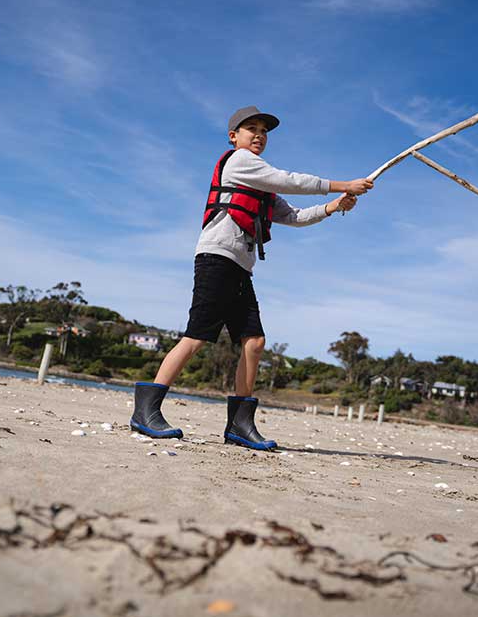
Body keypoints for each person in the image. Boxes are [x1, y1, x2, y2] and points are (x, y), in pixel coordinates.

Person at [130, 105, 373, 450]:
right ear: (234, 136)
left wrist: (334, 206)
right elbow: (289, 180)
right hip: (216, 257)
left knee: (254, 342)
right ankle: (146, 411)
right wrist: (342, 184)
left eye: (264, 131)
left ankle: (239, 425)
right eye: (251, 129)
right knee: (198, 336)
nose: (259, 135)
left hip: (241, 267)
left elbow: (296, 216)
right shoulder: (240, 162)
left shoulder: (261, 187)